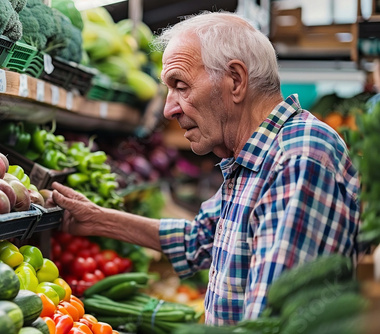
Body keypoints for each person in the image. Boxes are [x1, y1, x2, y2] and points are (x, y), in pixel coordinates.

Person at [50, 11, 361, 326]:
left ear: (235, 81)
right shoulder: (252, 158)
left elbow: (269, 322)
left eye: (180, 86)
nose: (169, 109)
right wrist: (98, 220)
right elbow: (200, 238)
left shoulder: (298, 158)